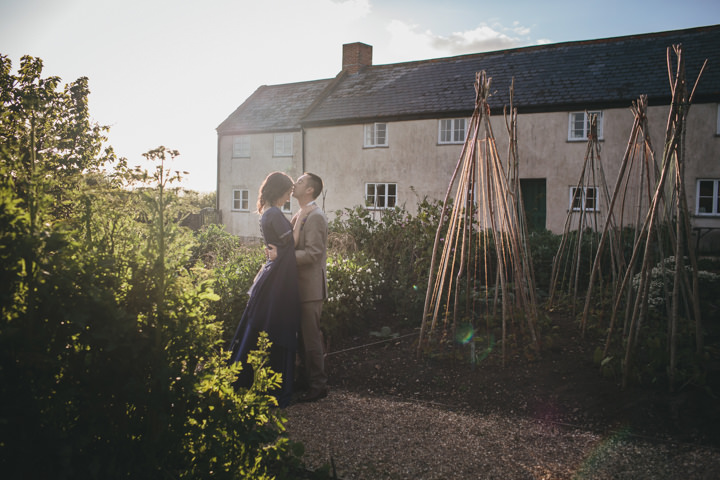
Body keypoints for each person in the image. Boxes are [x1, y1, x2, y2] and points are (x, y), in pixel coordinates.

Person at [228, 171, 300, 408]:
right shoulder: (274, 214)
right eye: (289, 192)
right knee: (275, 322)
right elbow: (289, 246)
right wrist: (302, 217)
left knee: (262, 322)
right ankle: (269, 384)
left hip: (273, 273)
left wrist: (277, 253)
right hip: (278, 279)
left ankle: (247, 379)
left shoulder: (268, 212)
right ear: (280, 190)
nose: (289, 197)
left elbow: (279, 247)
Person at [269, 172, 328, 403]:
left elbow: (314, 254)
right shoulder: (300, 213)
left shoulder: (316, 216)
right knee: (301, 338)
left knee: (311, 338)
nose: (295, 184)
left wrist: (282, 256)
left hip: (311, 289)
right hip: (298, 287)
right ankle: (305, 379)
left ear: (310, 190)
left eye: (301, 181)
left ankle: (319, 385)